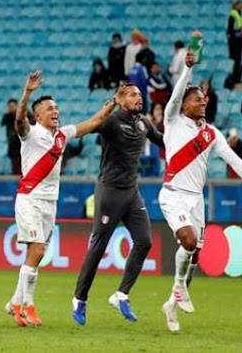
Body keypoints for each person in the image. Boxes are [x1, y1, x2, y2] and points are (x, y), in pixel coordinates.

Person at [3, 71, 118, 327]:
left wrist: (114, 102)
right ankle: (27, 306)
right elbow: (19, 118)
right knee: (38, 250)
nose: (55, 111)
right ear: (39, 116)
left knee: (36, 255)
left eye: (56, 107)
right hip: (29, 198)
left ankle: (14, 302)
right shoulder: (29, 133)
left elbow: (94, 122)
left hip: (49, 203)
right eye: (49, 108)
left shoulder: (62, 135)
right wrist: (27, 93)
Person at [159, 51, 242, 332]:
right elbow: (175, 94)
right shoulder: (172, 120)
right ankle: (179, 286)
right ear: (184, 105)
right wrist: (187, 69)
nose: (203, 102)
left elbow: (234, 160)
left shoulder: (212, 133)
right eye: (197, 99)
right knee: (188, 240)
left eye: (204, 99)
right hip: (173, 193)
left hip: (196, 200)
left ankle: (172, 303)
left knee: (193, 257)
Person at [72, 81, 165, 326]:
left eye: (139, 94)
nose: (138, 97)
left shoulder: (144, 122)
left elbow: (164, 141)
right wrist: (109, 105)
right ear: (121, 100)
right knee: (99, 247)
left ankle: (121, 295)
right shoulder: (112, 121)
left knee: (144, 241)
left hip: (132, 193)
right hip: (109, 192)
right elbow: (91, 126)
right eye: (132, 94)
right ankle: (80, 299)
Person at [0, 99, 23, 175]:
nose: (11, 107)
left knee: (21, 160)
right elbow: (2, 123)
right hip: (11, 141)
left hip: (21, 141)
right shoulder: (7, 116)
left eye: (13, 106)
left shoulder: (21, 114)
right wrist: (7, 113)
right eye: (10, 106)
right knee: (14, 161)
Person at [226, 0, 242, 85]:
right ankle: (235, 78)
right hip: (235, 41)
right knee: (236, 60)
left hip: (239, 39)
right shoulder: (233, 14)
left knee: (238, 60)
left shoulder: (239, 13)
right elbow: (230, 29)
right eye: (239, 4)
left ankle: (237, 78)